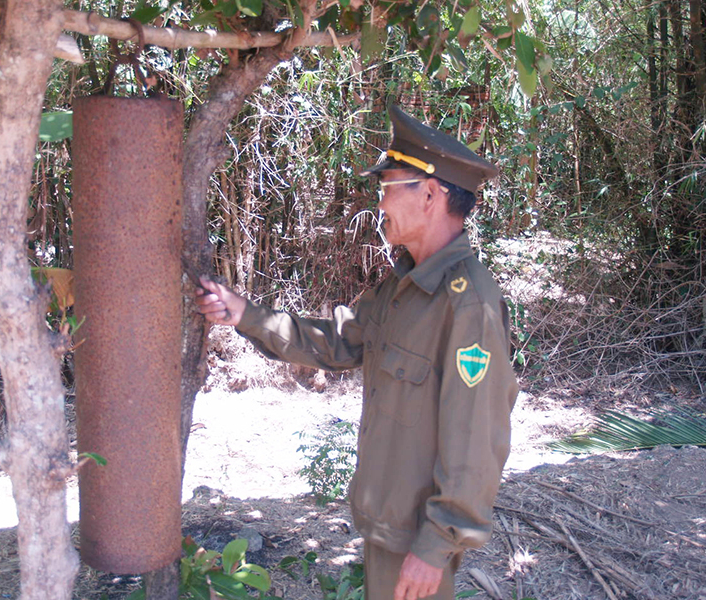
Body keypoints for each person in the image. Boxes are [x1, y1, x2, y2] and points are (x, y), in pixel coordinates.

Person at [196, 105, 519, 600]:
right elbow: (337, 342)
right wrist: (245, 315)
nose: (381, 201)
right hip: (387, 525)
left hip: (416, 539)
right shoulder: (404, 286)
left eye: (389, 185)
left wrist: (436, 547)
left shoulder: (467, 303)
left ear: (429, 194)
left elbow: (477, 439)